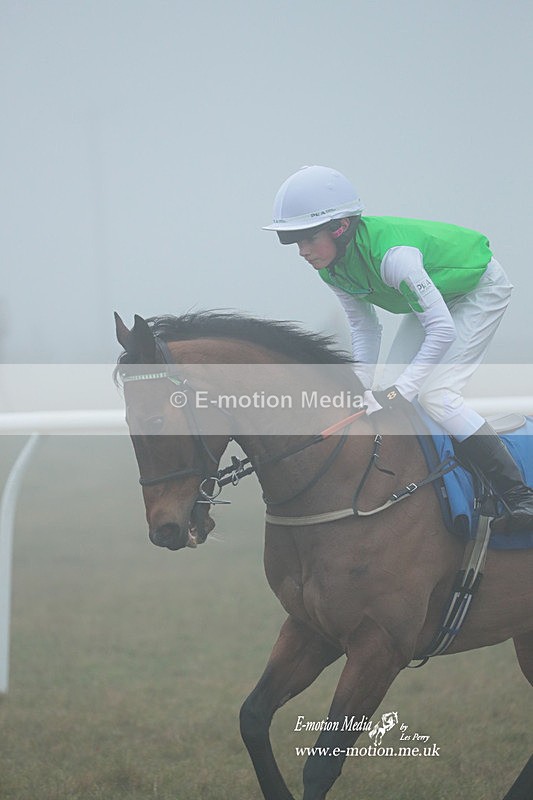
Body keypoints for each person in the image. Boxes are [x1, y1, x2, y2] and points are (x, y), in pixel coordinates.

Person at [263, 165, 533, 533]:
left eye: (308, 239)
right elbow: (365, 327)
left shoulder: (394, 257)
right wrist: (361, 387)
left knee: (436, 394)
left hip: (478, 289)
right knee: (386, 385)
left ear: (340, 227)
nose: (302, 251)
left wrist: (399, 391)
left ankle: (519, 497)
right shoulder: (331, 268)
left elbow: (442, 331)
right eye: (294, 241)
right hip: (437, 298)